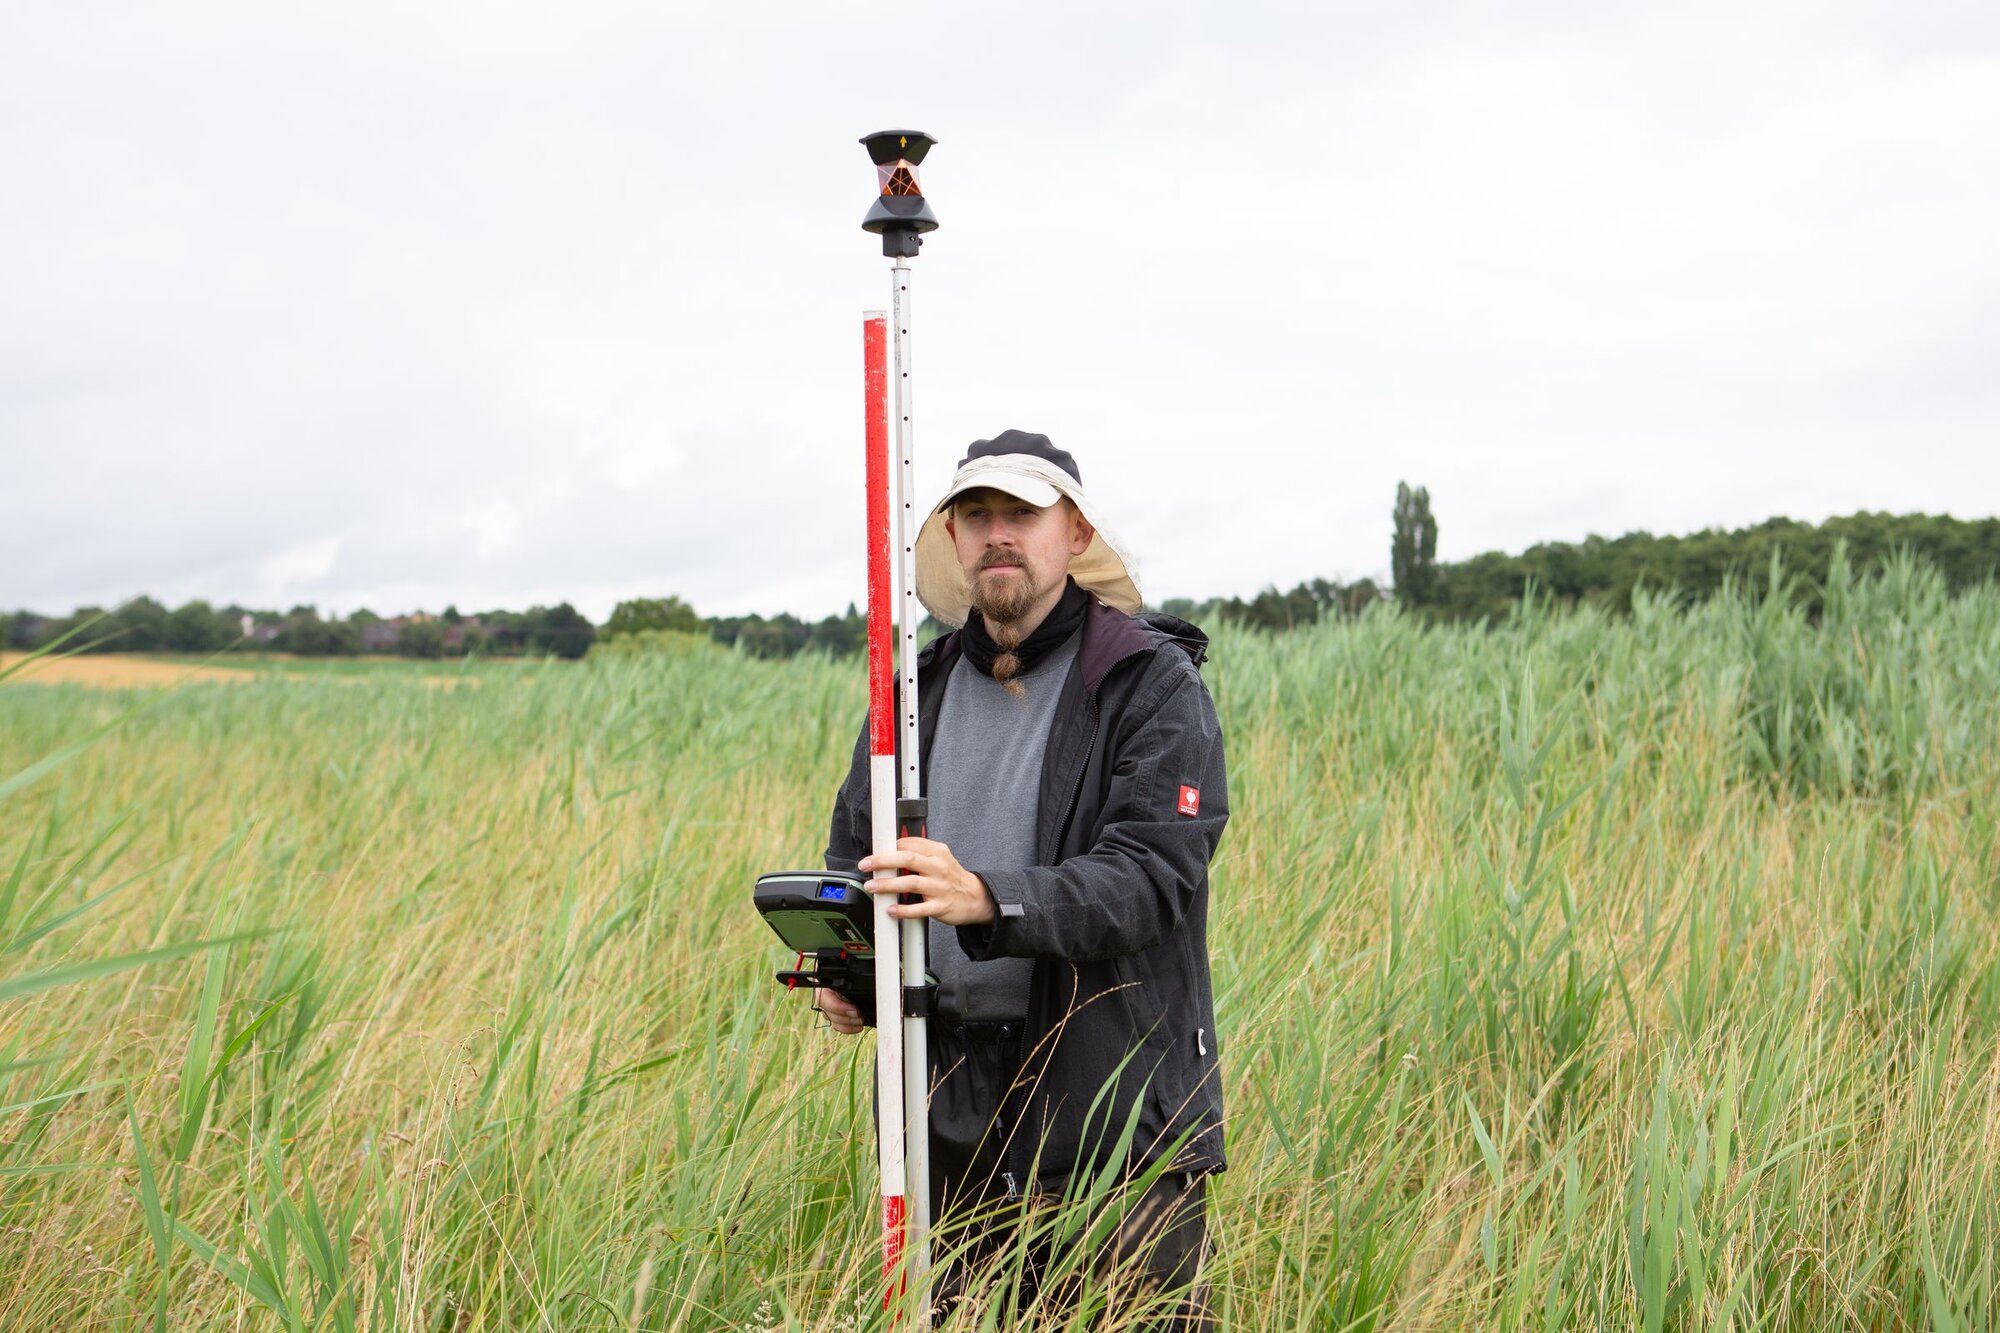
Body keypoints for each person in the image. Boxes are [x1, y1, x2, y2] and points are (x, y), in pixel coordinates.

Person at [817, 430, 1230, 1325]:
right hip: (946, 1116)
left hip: (1109, 1113)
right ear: (956, 542)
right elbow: (857, 861)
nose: (998, 533)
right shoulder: (910, 694)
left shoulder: (1149, 684)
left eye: (1021, 514)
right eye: (976, 515)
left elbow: (1149, 877)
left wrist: (990, 898)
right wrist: (855, 976)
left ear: (1074, 533)